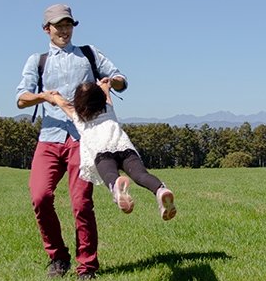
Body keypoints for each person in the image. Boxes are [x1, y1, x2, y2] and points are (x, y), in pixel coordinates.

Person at [16, 4, 127, 280]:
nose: (64, 31)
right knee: (40, 197)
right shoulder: (37, 61)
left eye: (68, 25)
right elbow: (21, 99)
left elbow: (121, 79)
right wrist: (46, 97)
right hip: (50, 138)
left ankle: (87, 266)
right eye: (58, 26)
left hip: (83, 139)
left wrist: (114, 82)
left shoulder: (88, 54)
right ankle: (57, 257)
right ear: (47, 29)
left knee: (81, 203)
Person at [46, 79, 177, 221]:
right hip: (124, 147)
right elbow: (105, 90)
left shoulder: (79, 117)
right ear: (101, 99)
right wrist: (105, 84)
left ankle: (116, 186)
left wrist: (54, 96)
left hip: (102, 152)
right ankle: (160, 189)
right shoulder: (108, 109)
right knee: (141, 175)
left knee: (109, 174)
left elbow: (65, 105)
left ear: (78, 102)